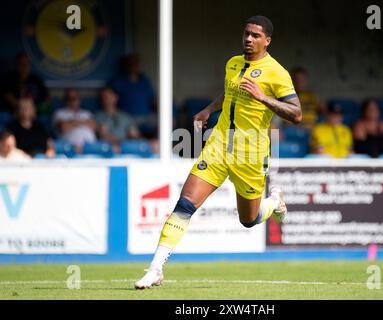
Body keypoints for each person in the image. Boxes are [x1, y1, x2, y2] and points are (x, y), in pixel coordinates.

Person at [134, 15, 302, 289]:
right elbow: (229, 94)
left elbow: (296, 114)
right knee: (185, 204)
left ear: (267, 41)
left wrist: (264, 98)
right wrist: (211, 109)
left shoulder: (277, 73)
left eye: (256, 35)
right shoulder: (233, 63)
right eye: (246, 33)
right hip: (219, 145)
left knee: (248, 220)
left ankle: (273, 203)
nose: (248, 38)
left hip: (250, 153)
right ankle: (155, 268)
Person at [111, 53, 157, 134]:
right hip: (128, 117)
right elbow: (111, 100)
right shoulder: (119, 81)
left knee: (166, 122)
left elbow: (153, 99)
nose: (133, 65)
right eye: (131, 63)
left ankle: (161, 145)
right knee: (124, 127)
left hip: (147, 117)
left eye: (136, 63)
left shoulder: (144, 80)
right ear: (126, 65)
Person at [95, 87, 141, 152]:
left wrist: (134, 138)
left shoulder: (125, 116)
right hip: (107, 148)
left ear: (116, 98)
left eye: (110, 96)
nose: (107, 99)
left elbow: (134, 135)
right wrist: (121, 143)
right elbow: (103, 136)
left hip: (126, 148)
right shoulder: (98, 116)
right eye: (104, 97)